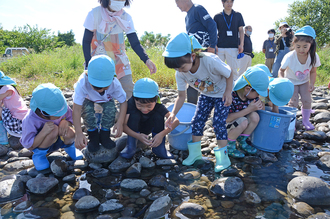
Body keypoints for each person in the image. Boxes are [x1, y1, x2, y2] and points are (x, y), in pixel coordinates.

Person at [163, 32, 234, 172]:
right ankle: (195, 154)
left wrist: (228, 92)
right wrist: (173, 114)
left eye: (182, 67)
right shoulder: (180, 73)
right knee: (197, 121)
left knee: (219, 123)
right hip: (206, 94)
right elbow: (181, 96)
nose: (179, 71)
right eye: (176, 68)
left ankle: (223, 158)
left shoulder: (210, 61)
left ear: (193, 56)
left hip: (222, 94)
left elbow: (230, 73)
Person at [82, 0, 157, 100]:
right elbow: (86, 41)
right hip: (100, 62)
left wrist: (146, 59)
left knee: (128, 91)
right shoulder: (94, 14)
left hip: (120, 61)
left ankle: (127, 115)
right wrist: (88, 63)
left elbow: (134, 43)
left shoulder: (126, 17)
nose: (120, 1)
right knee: (99, 95)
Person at [20, 83, 83, 171]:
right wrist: (43, 132)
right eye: (57, 115)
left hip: (60, 140)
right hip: (42, 145)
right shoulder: (30, 120)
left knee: (70, 132)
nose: (61, 115)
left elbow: (72, 119)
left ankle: (70, 148)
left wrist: (66, 122)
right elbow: (29, 146)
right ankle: (39, 156)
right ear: (43, 113)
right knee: (53, 129)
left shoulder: (60, 107)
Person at [73, 55, 127, 152]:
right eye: (96, 86)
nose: (100, 90)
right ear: (87, 76)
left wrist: (120, 122)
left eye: (105, 87)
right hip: (88, 99)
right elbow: (76, 108)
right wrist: (78, 132)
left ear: (112, 78)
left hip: (107, 100)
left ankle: (105, 135)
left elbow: (123, 102)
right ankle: (93, 136)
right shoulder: (82, 82)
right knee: (87, 110)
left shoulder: (115, 83)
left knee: (110, 109)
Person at [120, 78, 180, 159]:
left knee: (159, 116)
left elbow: (176, 121)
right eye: (139, 105)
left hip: (149, 128)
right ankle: (130, 147)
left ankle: (159, 148)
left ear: (156, 99)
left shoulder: (158, 106)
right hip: (134, 129)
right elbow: (123, 126)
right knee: (134, 116)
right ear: (134, 98)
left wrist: (161, 135)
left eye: (149, 106)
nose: (144, 109)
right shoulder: (131, 103)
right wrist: (138, 136)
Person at [175, 0, 218, 104]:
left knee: (209, 79)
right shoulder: (187, 17)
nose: (178, 7)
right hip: (195, 53)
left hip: (205, 51)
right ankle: (192, 105)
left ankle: (213, 104)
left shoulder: (198, 9)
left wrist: (212, 46)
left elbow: (212, 25)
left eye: (178, 4)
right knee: (193, 78)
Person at [279, 25, 321, 130]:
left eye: (305, 47)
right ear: (294, 44)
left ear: (311, 45)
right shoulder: (289, 57)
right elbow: (281, 70)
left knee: (307, 100)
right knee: (293, 102)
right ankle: (291, 122)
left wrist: (312, 83)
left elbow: (313, 71)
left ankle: (306, 121)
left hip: (304, 81)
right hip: (291, 81)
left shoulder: (314, 56)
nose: (301, 49)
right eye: (298, 46)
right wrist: (283, 81)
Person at [226, 67, 269, 158]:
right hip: (225, 127)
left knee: (255, 116)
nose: (258, 96)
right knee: (243, 121)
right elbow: (226, 118)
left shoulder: (251, 97)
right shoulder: (231, 96)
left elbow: (263, 113)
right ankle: (229, 145)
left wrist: (261, 103)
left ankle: (242, 141)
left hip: (238, 124)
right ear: (247, 88)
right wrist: (248, 110)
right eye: (257, 93)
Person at [214, 0, 245, 81]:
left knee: (233, 70)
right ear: (222, 3)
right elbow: (213, 31)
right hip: (220, 47)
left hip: (233, 47)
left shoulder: (238, 15)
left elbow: (241, 30)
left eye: (231, 2)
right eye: (227, 2)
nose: (229, 4)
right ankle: (220, 91)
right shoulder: (217, 16)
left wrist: (241, 44)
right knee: (218, 70)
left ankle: (234, 91)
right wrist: (214, 45)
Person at [0, 71, 28, 144]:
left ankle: (3, 138)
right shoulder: (9, 87)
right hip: (23, 119)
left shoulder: (6, 88)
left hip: (17, 121)